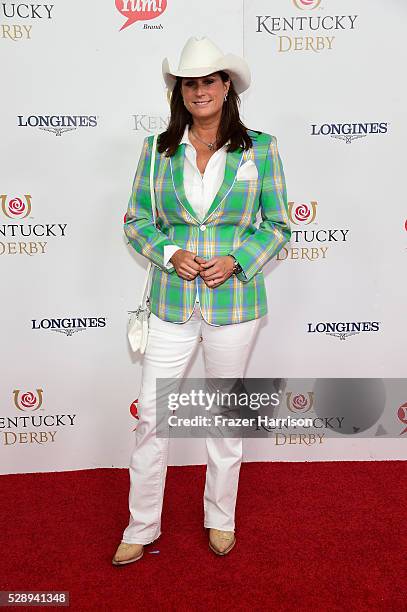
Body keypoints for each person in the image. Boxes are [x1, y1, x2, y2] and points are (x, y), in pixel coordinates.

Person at [112, 36, 291, 565]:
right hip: (171, 301)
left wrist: (238, 259)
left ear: (226, 85)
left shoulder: (262, 147)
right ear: (180, 91)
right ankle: (141, 525)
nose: (199, 90)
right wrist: (168, 253)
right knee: (151, 414)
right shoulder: (156, 150)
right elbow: (135, 221)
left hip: (234, 302)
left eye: (208, 80)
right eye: (189, 82)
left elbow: (279, 225)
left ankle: (220, 517)